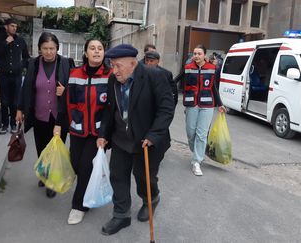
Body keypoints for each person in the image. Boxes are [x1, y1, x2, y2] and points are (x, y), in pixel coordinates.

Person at [97, 44, 174, 235]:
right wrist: (103, 135)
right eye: (112, 65)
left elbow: (166, 108)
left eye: (117, 66)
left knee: (144, 177)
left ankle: (151, 198)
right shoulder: (113, 80)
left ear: (132, 63)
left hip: (146, 140)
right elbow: (109, 109)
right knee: (118, 176)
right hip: (121, 138)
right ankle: (121, 215)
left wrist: (153, 135)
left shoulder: (154, 76)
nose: (114, 71)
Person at [54, 39, 112, 225]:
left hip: (98, 133)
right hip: (77, 129)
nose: (96, 52)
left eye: (100, 49)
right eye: (92, 48)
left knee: (86, 167)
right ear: (86, 53)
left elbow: (111, 108)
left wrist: (105, 134)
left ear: (104, 53)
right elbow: (65, 101)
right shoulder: (74, 74)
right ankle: (88, 193)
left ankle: (79, 206)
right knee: (76, 165)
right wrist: (59, 123)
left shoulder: (110, 75)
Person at [16, 32, 70, 199]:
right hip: (38, 114)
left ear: (57, 48)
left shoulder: (66, 63)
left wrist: (66, 90)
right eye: (45, 48)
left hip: (59, 116)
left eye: (52, 48)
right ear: (39, 49)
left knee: (55, 150)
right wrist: (20, 109)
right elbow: (25, 88)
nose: (48, 52)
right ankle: (45, 175)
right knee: (42, 149)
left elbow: (75, 87)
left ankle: (51, 182)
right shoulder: (33, 64)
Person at [182, 44, 226, 176]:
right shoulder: (187, 68)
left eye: (199, 53)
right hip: (191, 104)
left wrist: (220, 104)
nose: (196, 56)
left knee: (201, 134)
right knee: (191, 132)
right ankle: (196, 150)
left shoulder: (212, 68)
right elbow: (179, 82)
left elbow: (214, 87)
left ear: (204, 55)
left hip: (207, 104)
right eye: (194, 53)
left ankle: (197, 161)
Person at [0, 18, 30, 135]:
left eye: (15, 26)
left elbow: (26, 56)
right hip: (3, 75)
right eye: (12, 26)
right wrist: (6, 43)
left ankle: (13, 124)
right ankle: (4, 125)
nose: (14, 28)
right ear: (6, 27)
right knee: (4, 101)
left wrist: (22, 66)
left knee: (15, 102)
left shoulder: (20, 40)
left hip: (16, 75)